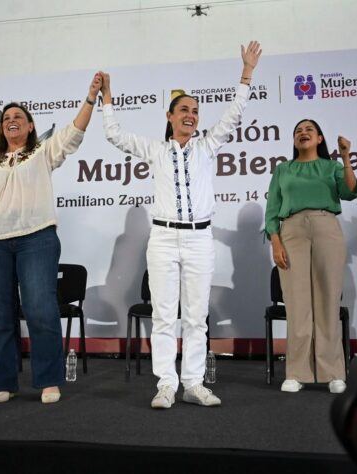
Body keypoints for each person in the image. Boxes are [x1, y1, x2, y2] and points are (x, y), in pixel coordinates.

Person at [101, 41, 262, 409]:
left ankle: (193, 383)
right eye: (184, 110)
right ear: (170, 116)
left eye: (196, 111)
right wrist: (107, 98)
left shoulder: (206, 146)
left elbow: (234, 114)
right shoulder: (156, 150)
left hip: (199, 239)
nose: (191, 115)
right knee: (163, 316)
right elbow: (115, 135)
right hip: (162, 238)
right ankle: (166, 384)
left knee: (195, 317)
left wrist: (247, 73)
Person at [0, 73, 102, 404]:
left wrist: (90, 98)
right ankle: (3, 381)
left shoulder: (42, 150)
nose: (11, 121)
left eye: (18, 117)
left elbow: (74, 132)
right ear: (2, 128)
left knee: (40, 309)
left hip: (36, 238)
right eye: (6, 118)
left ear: (29, 127)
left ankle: (48, 380)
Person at [264, 119, 357, 394]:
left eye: (309, 130)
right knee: (296, 303)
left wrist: (345, 158)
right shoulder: (283, 169)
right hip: (291, 231)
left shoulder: (332, 167)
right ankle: (296, 372)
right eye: (298, 131)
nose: (303, 133)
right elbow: (272, 210)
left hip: (326, 227)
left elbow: (351, 192)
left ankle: (333, 372)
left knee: (328, 301)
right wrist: (275, 242)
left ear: (319, 138)